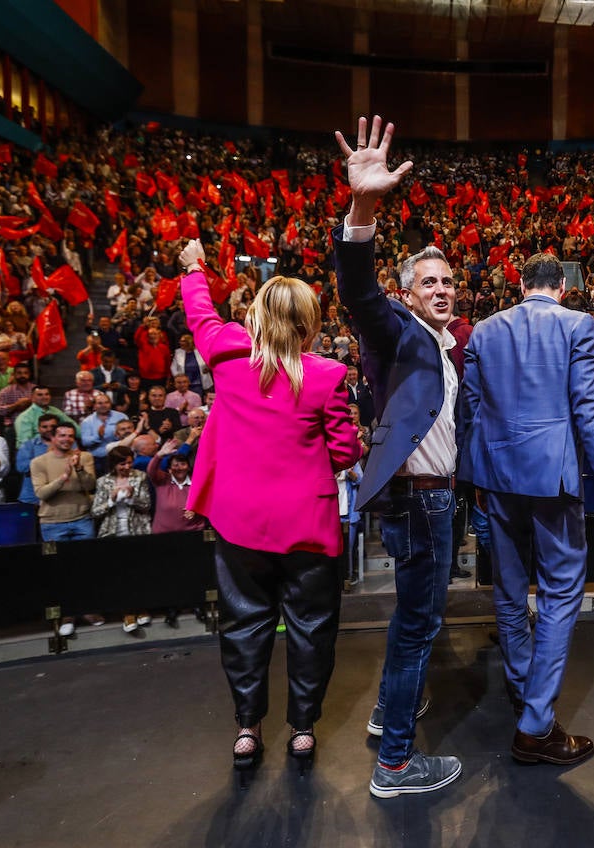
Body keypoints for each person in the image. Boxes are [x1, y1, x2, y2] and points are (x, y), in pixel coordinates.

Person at [179, 236, 360, 770]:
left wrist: (196, 267)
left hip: (241, 524)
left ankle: (247, 729)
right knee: (310, 629)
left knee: (244, 626)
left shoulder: (228, 355)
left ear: (256, 317)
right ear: (308, 324)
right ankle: (302, 729)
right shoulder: (327, 375)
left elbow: (200, 314)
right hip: (309, 525)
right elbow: (345, 451)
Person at [459, 246, 594, 771]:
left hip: (496, 478)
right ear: (562, 287)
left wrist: (476, 477)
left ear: (520, 288)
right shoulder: (578, 324)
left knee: (510, 591)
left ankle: (522, 691)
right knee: (560, 592)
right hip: (552, 479)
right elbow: (588, 407)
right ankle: (535, 726)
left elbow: (471, 408)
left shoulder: (485, 331)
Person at [332, 117, 464, 798]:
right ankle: (395, 767)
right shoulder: (398, 330)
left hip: (432, 498)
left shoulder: (442, 348)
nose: (443, 290)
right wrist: (364, 204)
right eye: (430, 283)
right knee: (419, 627)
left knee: (413, 623)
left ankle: (388, 714)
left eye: (449, 282)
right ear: (409, 293)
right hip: (421, 501)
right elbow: (357, 289)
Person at [30, 422, 96, 542]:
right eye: (62, 435)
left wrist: (79, 469)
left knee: (88, 558)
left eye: (70, 436)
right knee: (54, 559)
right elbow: (41, 494)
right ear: (53, 438)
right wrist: (64, 477)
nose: (67, 439)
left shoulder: (85, 457)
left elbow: (90, 486)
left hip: (83, 519)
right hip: (51, 523)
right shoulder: (38, 462)